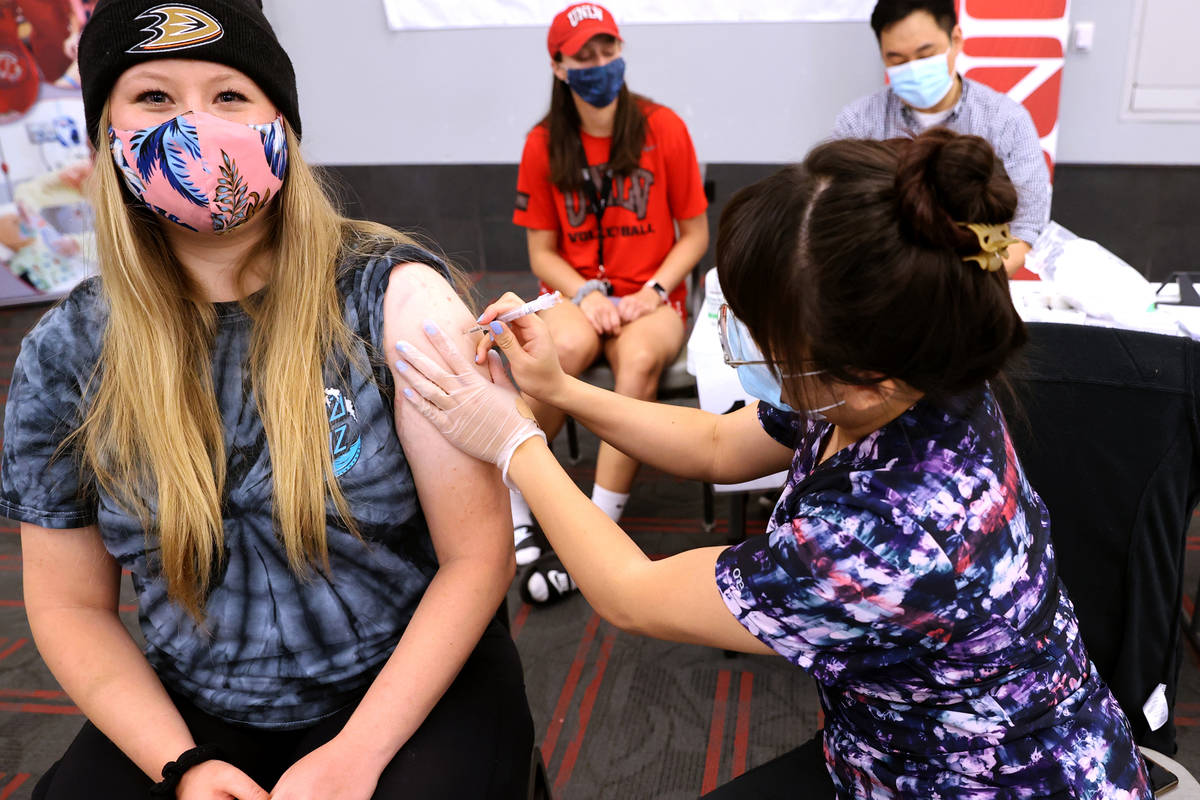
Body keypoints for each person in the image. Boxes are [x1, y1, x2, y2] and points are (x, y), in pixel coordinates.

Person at [395, 128, 1152, 798]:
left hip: (978, 780)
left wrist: (512, 444)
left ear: (861, 374)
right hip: (887, 744)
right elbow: (721, 446)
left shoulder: (885, 535)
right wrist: (561, 390)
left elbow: (633, 594)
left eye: (762, 332)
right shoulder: (909, 373)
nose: (739, 340)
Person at [2, 1, 532, 797]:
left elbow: (476, 556)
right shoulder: (66, 355)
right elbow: (72, 607)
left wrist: (357, 755)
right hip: (196, 706)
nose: (195, 124)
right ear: (106, 135)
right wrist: (180, 767)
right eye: (153, 98)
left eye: (229, 96)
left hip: (410, 683)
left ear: (279, 122)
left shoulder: (394, 299)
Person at [510, 1, 709, 602]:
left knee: (640, 362)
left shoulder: (663, 127)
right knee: (560, 347)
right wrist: (586, 294)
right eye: (585, 56)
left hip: (653, 295)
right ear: (560, 66)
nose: (600, 64)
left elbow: (695, 234)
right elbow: (542, 252)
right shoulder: (544, 143)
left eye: (608, 51)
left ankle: (597, 523)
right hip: (579, 292)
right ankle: (521, 504)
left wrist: (651, 292)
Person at [833, 0, 1049, 275]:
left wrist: (971, 288)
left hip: (977, 283)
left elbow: (1026, 228)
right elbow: (837, 213)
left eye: (925, 55)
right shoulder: (859, 122)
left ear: (955, 40)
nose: (912, 69)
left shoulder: (1006, 121)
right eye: (896, 59)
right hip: (885, 284)